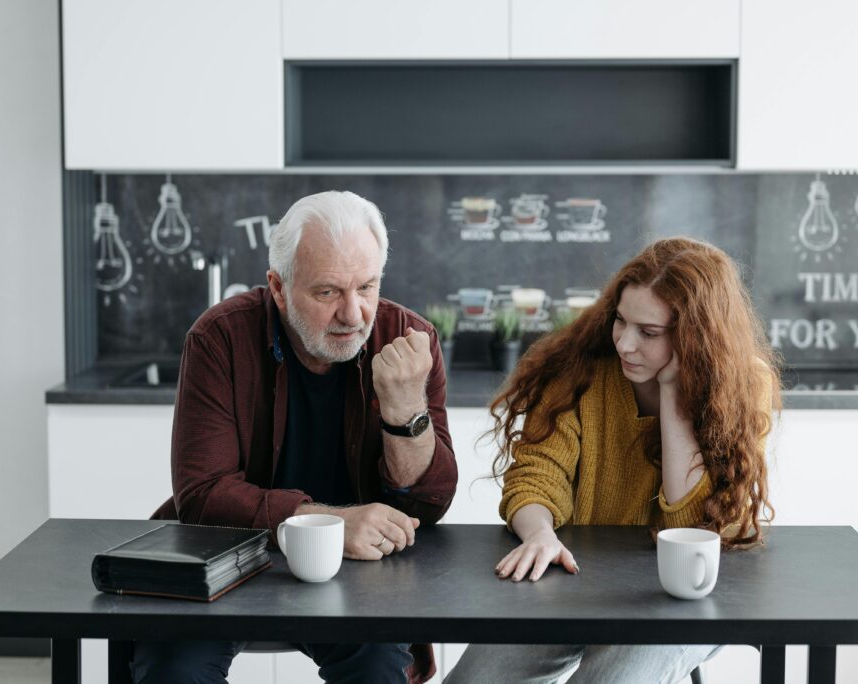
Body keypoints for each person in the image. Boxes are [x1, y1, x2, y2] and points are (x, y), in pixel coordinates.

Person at [133, 191, 458, 684]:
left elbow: (430, 505)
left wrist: (406, 411)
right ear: (278, 288)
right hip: (226, 558)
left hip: (359, 573)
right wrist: (327, 524)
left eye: (366, 287)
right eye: (327, 292)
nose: (354, 314)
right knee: (173, 669)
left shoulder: (408, 338)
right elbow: (201, 497)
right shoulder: (218, 338)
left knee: (380, 669)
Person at [445, 237, 780, 684]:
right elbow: (536, 474)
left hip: (689, 594)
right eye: (621, 321)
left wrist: (674, 396)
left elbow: (693, 532)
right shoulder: (581, 368)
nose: (624, 343)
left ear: (697, 337)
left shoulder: (741, 385)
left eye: (649, 332)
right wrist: (540, 533)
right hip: (579, 581)